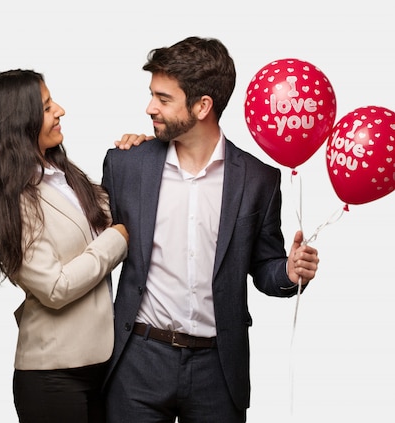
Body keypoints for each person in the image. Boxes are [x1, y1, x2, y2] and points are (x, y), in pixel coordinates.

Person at [101, 36, 320, 423]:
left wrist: (287, 271)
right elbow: (94, 246)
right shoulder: (126, 166)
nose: (150, 107)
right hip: (138, 361)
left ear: (203, 106)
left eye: (164, 99)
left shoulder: (258, 180)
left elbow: (265, 265)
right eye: (153, 94)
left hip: (218, 370)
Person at [0, 69, 147, 423]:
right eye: (46, 107)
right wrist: (115, 242)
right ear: (17, 121)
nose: (59, 110)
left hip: (101, 364)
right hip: (53, 378)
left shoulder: (61, 175)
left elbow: (120, 215)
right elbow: (55, 288)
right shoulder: (9, 198)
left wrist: (139, 156)